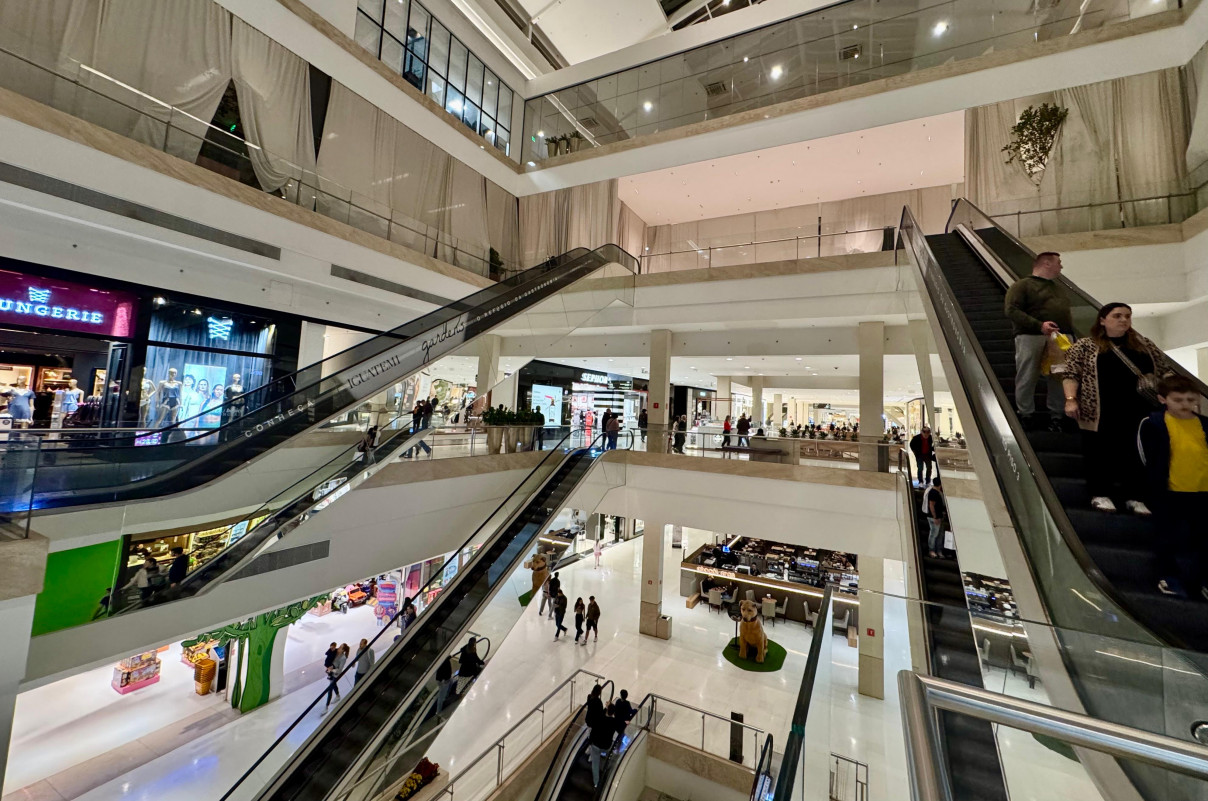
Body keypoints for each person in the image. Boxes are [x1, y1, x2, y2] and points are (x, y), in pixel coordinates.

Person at [1063, 302, 1170, 514]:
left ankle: (1135, 496)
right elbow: (1071, 373)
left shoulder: (1144, 345)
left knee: (1136, 452)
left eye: (1127, 316)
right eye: (1117, 315)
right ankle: (1100, 493)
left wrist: (1173, 393)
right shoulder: (1085, 346)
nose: (1124, 320)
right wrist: (1071, 399)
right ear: (1103, 320)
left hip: (1139, 408)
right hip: (1100, 410)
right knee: (1099, 451)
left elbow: (1164, 371)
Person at [1138, 375, 1208, 598]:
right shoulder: (1153, 423)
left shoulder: (1204, 424)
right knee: (1168, 538)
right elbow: (1145, 457)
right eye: (1178, 400)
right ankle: (1169, 577)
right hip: (1169, 492)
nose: (1185, 404)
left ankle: (1202, 581)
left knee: (1202, 539)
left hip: (1202, 491)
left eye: (1190, 399)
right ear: (1162, 399)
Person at [1004, 251, 1074, 430]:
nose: (1061, 266)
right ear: (1047, 263)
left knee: (1059, 376)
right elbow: (1011, 310)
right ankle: (1025, 413)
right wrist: (1039, 325)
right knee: (1028, 374)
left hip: (1060, 338)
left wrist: (1070, 335)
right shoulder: (1022, 285)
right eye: (1058, 262)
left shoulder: (1058, 288)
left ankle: (1057, 415)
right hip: (1031, 336)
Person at [587, 686, 616, 788]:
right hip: (606, 746)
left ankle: (596, 782)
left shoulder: (600, 719)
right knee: (609, 751)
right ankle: (608, 770)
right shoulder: (614, 722)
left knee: (595, 764)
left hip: (596, 745)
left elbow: (594, 731)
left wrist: (590, 741)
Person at [925, 478, 947, 558]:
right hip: (934, 517)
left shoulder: (937, 492)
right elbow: (931, 505)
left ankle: (938, 550)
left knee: (940, 534)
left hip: (939, 516)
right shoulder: (933, 493)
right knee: (934, 534)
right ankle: (931, 550)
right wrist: (935, 517)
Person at [325, 643, 349, 709]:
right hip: (331, 673)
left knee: (330, 689)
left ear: (343, 650)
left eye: (340, 647)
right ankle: (338, 696)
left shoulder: (343, 658)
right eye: (339, 646)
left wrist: (332, 670)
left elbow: (339, 670)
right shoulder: (336, 652)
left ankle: (326, 706)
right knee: (334, 685)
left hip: (335, 674)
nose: (338, 648)